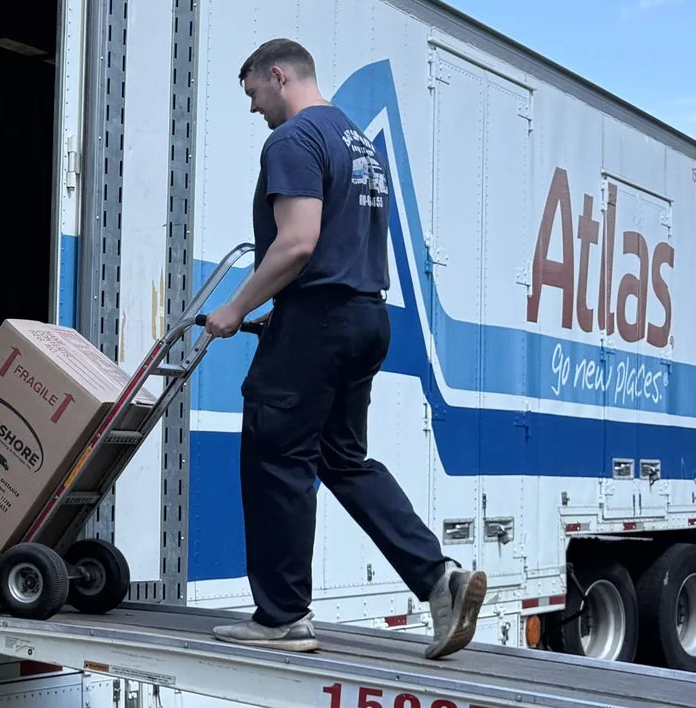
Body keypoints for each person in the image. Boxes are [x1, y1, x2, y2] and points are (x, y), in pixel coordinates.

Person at [199, 38, 486, 657]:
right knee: (343, 459)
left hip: (317, 322)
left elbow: (298, 242)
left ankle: (281, 617)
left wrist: (234, 308)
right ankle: (439, 580)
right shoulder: (357, 142)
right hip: (366, 318)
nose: (255, 110)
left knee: (275, 456)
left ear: (277, 76)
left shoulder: (294, 140)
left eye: (252, 93)